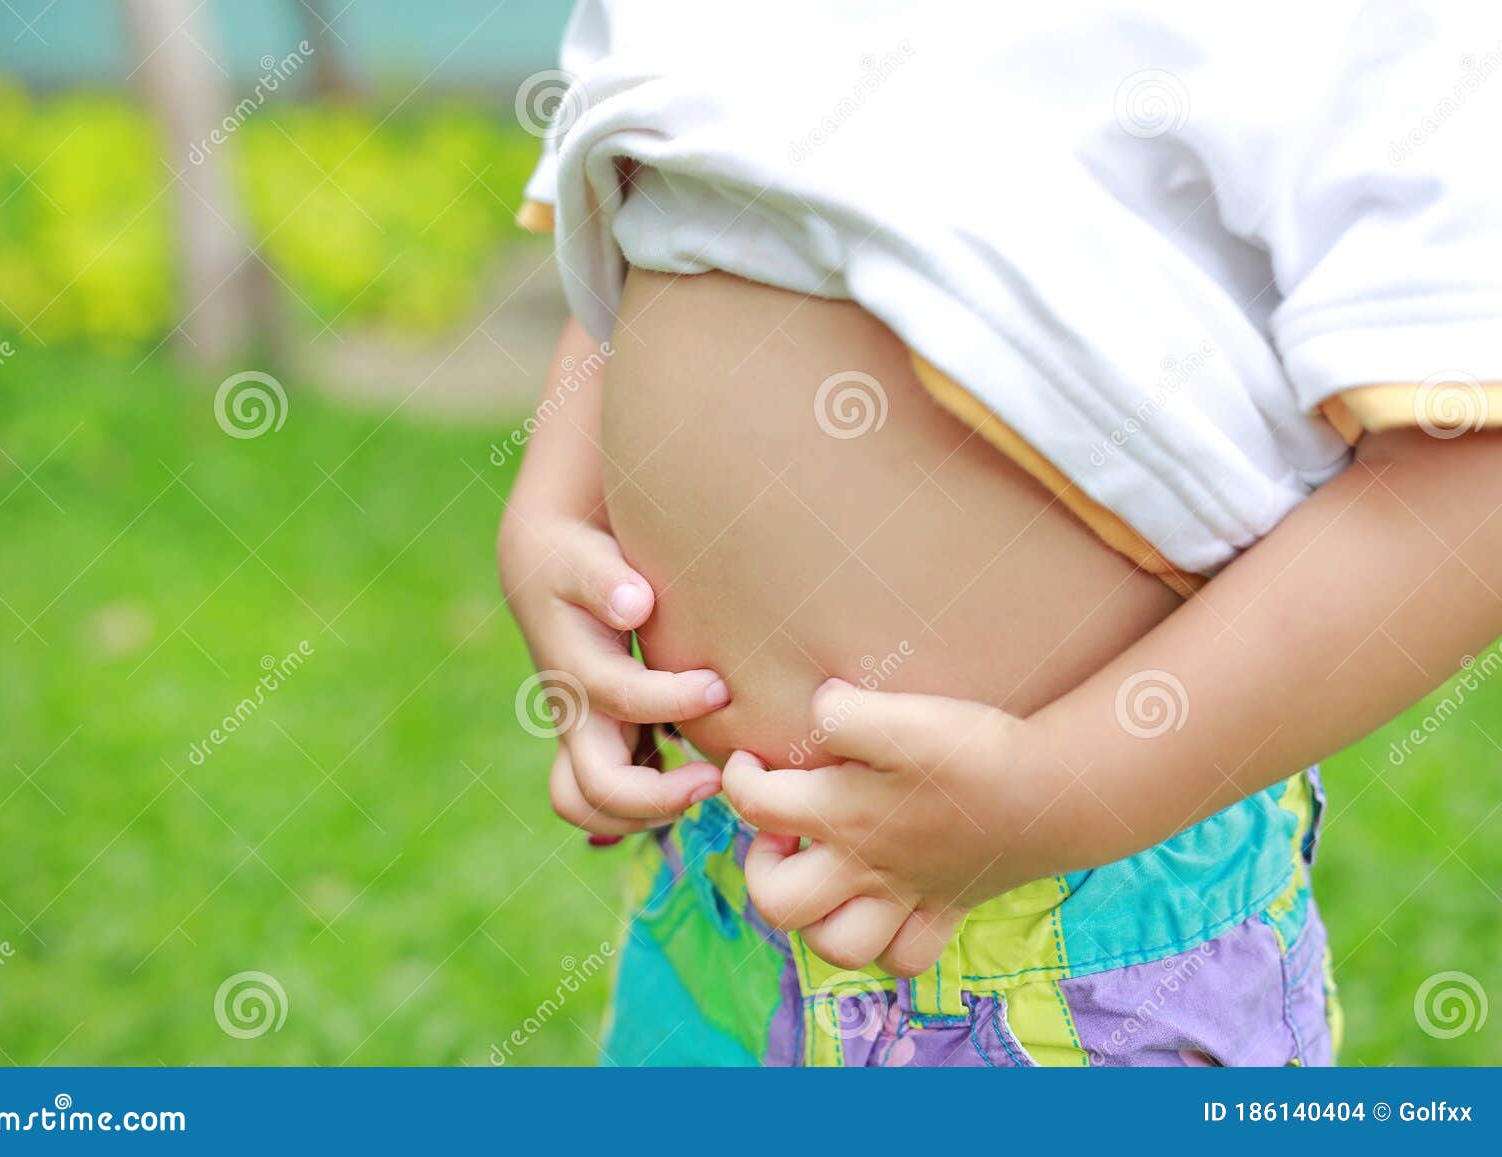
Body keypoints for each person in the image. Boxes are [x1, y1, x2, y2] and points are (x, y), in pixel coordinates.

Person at [498, 1, 1502, 1066]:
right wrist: (552, 509)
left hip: (1081, 943)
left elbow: (1467, 483)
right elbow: (641, 176)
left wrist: (1062, 784)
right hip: (719, 873)